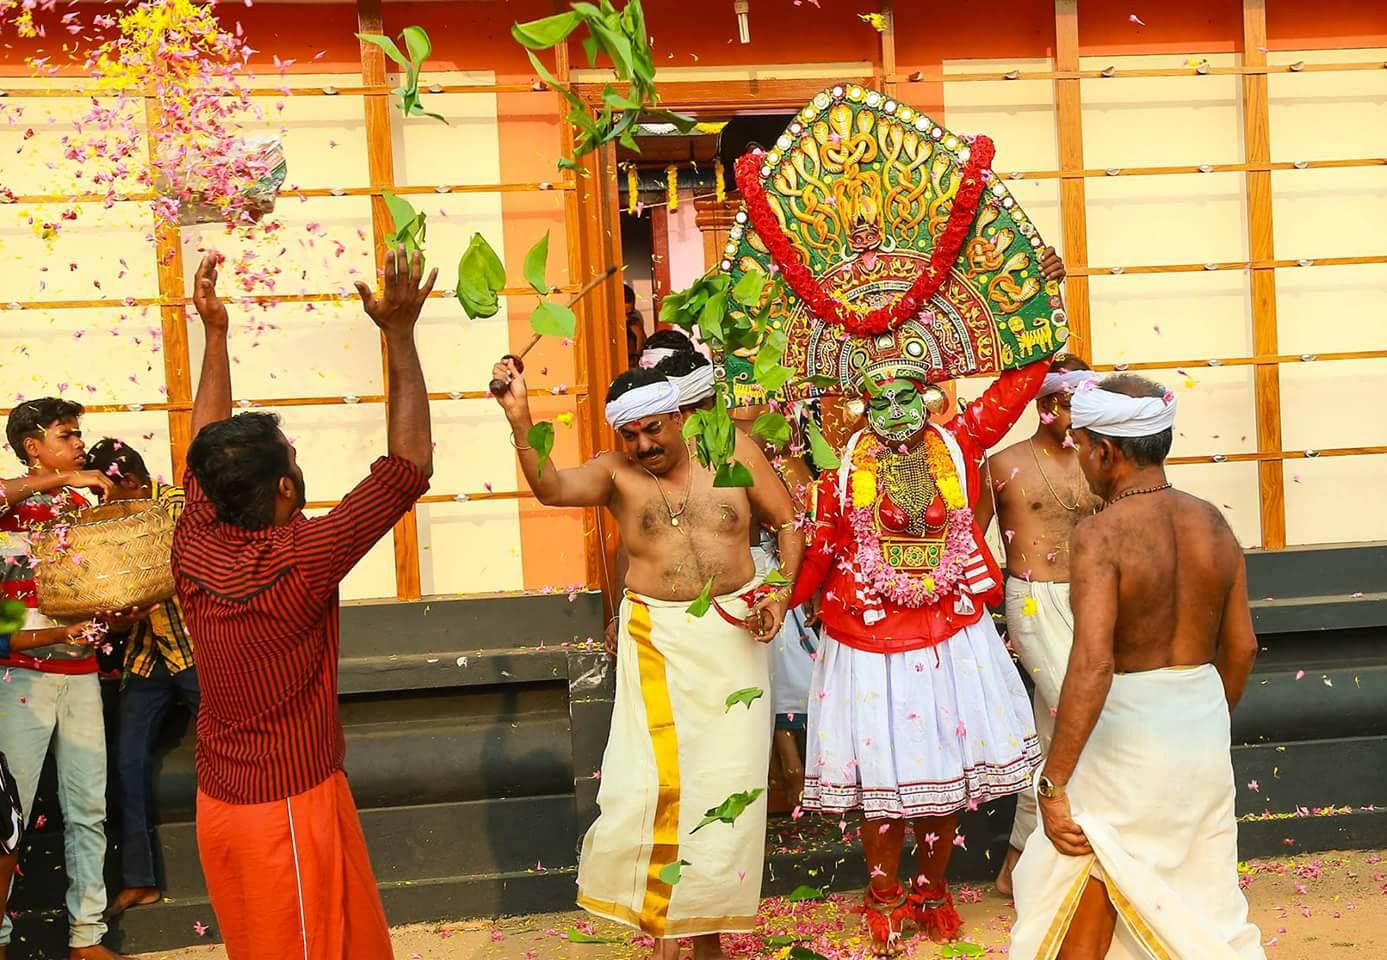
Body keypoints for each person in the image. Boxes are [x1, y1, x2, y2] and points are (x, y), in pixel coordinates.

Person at [786, 251, 1067, 956]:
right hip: (864, 635)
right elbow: (818, 550)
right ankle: (882, 895)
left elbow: (1022, 378)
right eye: (877, 402)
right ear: (859, 408)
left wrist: (1039, 295)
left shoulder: (962, 443)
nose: (894, 413)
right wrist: (768, 603)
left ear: (930, 399)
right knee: (884, 782)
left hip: (948, 634)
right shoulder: (837, 474)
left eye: (906, 397)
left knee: (941, 785)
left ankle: (931, 889)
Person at [491, 360, 803, 960]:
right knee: (660, 787)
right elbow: (552, 488)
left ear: (681, 417)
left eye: (654, 429)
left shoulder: (731, 449)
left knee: (727, 787)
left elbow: (788, 521)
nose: (642, 445)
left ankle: (705, 934)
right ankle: (663, 932)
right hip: (657, 638)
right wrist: (519, 416)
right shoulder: (616, 474)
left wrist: (781, 590)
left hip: (735, 636)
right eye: (629, 435)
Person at [172, 248, 435, 959]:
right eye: (292, 455)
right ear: (285, 488)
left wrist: (217, 335)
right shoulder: (303, 558)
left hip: (228, 804)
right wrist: (400, 334)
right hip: (283, 809)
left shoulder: (193, 538)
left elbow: (204, 444)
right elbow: (408, 469)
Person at [1008, 375, 1264, 959]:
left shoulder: (1101, 534)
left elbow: (1093, 664)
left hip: (1125, 734)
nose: (1076, 456)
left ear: (1107, 452)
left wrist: (1053, 783)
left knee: (1086, 870)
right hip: (1199, 722)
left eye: (1079, 444)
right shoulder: (1214, 523)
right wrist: (1197, 713)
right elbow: (1243, 647)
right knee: (1193, 892)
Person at [0, 399, 129, 960]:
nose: (80, 444)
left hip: (79, 672)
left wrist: (119, 612)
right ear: (33, 446)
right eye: (66, 435)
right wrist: (65, 477)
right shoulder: (10, 504)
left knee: (88, 808)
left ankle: (87, 936)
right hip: (17, 673)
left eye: (79, 436)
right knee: (6, 819)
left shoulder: (83, 506)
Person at [983, 356, 1102, 896]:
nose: (1082, 414)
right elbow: (967, 537)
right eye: (1074, 403)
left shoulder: (1099, 460)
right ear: (1046, 403)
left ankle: (1017, 869)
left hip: (1091, 600)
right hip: (1030, 600)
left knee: (1053, 734)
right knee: (1078, 715)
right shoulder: (1003, 462)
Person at [82, 439, 200, 920]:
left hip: (194, 649)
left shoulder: (174, 502)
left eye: (104, 491)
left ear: (128, 481)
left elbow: (163, 558)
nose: (99, 503)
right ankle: (139, 880)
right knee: (125, 762)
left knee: (232, 753)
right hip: (146, 656)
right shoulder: (111, 513)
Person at [625, 283, 647, 369]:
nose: (626, 318)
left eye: (630, 313)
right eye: (623, 314)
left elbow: (642, 348)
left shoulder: (636, 319)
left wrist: (639, 335)